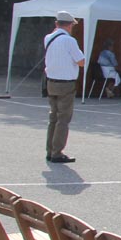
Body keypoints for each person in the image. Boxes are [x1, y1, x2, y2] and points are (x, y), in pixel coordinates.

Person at [45, 11, 84, 163]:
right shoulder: (69, 40)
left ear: (56, 23)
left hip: (51, 81)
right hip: (66, 83)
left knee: (53, 117)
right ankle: (57, 152)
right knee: (63, 119)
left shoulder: (48, 38)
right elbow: (81, 61)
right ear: (70, 25)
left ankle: (50, 150)